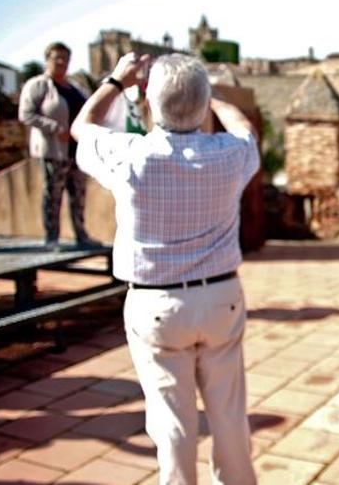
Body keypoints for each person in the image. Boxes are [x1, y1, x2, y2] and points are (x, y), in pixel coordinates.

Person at [71, 52, 258, 485]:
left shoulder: (130, 155)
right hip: (220, 298)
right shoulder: (230, 155)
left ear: (151, 104)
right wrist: (212, 97)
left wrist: (117, 81)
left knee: (171, 420)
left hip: (156, 303)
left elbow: (81, 126)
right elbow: (244, 127)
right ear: (204, 101)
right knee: (229, 412)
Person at [18, 42, 99, 249]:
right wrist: (54, 127)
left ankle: (82, 235)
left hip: (77, 152)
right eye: (57, 58)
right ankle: (52, 238)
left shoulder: (75, 88)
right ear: (48, 60)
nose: (62, 62)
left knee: (79, 195)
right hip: (54, 151)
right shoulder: (38, 85)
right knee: (53, 196)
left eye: (65, 58)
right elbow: (26, 114)